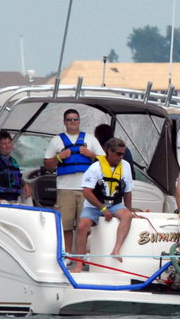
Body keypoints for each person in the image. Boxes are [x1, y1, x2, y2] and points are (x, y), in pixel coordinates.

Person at [69, 137, 136, 274]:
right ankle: (78, 264)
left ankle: (116, 249)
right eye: (118, 154)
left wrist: (129, 210)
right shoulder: (95, 167)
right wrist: (103, 209)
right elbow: (87, 192)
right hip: (94, 205)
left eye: (123, 154)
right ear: (109, 151)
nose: (121, 157)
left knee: (127, 216)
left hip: (115, 204)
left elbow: (127, 191)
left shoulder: (125, 166)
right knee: (82, 226)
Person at [42, 109, 104, 251]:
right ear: (64, 122)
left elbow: (104, 161)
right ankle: (68, 255)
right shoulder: (56, 140)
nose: (72, 122)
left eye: (75, 119)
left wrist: (90, 154)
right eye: (69, 119)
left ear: (79, 121)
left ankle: (82, 255)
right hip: (65, 189)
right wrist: (59, 157)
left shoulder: (90, 139)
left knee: (85, 225)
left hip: (87, 190)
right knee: (65, 225)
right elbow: (47, 165)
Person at [0, 130, 30, 204]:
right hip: (0, 200)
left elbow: (15, 177)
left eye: (9, 142)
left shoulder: (13, 161)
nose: (8, 146)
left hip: (14, 201)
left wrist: (25, 184)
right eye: (4, 144)